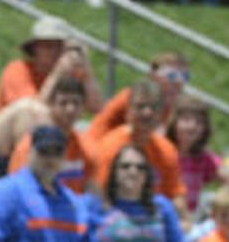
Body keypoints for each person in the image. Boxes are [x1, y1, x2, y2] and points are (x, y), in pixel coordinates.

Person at [0, 125, 87, 242]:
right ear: (30, 153)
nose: (50, 159)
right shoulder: (7, 192)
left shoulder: (72, 201)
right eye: (44, 152)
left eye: (56, 153)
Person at [86, 143, 186, 242]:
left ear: (147, 174)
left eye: (140, 167)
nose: (133, 171)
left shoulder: (162, 206)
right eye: (125, 166)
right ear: (114, 172)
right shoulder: (98, 207)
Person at [91, 78, 185, 209]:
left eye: (153, 107)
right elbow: (99, 192)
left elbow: (175, 194)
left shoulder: (167, 150)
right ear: (128, 112)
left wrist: (185, 220)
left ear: (161, 115)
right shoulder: (110, 146)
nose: (147, 113)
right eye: (140, 106)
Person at [5, 75, 95, 196]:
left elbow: (92, 189)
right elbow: (17, 188)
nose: (70, 109)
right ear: (51, 106)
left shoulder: (86, 147)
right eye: (63, 103)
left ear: (83, 108)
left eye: (76, 103)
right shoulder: (30, 147)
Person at [0, 16, 102, 116]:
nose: (54, 51)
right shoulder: (17, 70)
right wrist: (57, 74)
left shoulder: (70, 74)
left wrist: (86, 71)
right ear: (35, 48)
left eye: (59, 46)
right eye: (48, 46)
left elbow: (96, 107)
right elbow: (31, 114)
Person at [86, 50, 189, 147]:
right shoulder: (131, 98)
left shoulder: (172, 106)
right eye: (172, 76)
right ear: (154, 75)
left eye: (184, 76)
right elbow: (96, 134)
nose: (178, 82)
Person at [165, 93, 219, 219]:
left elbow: (226, 168)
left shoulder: (203, 158)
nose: (192, 126)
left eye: (199, 122)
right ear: (174, 122)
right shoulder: (164, 151)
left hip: (189, 220)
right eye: (186, 120)